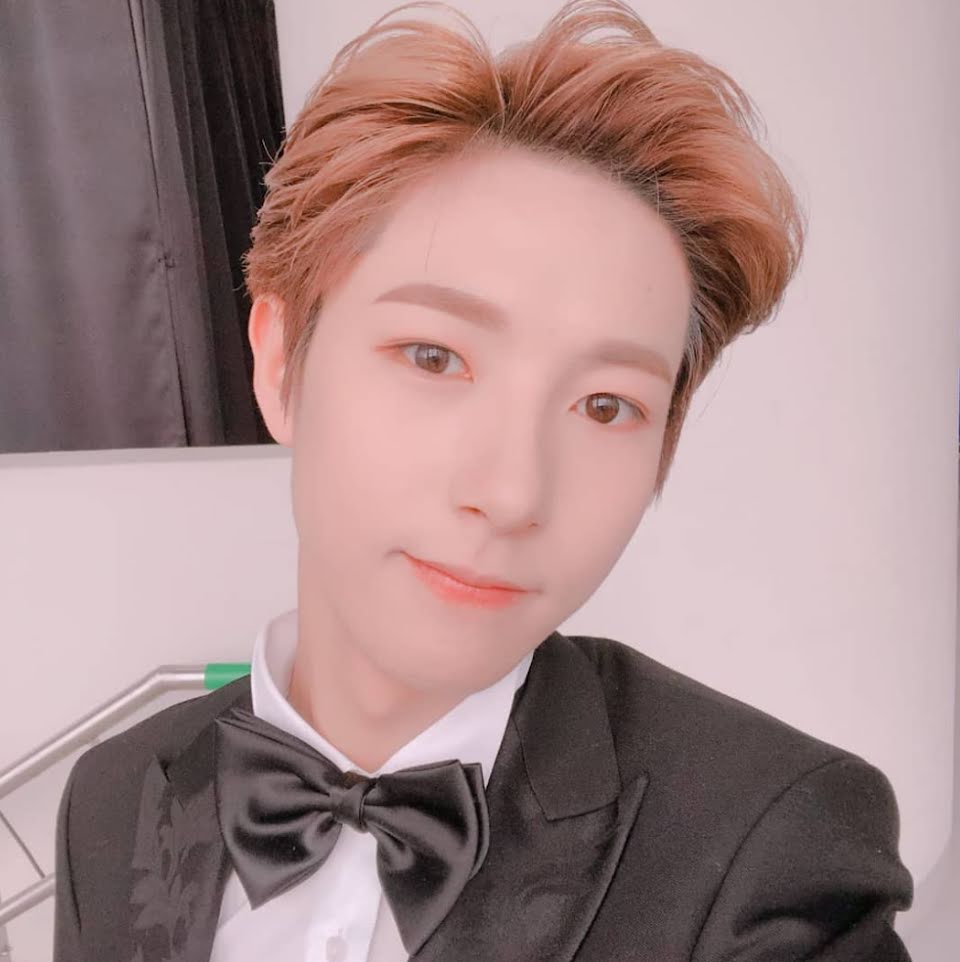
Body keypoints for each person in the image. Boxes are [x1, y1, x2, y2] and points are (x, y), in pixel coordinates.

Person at [52, 2, 914, 959]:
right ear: (281, 361)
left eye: (604, 406)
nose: (511, 494)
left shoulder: (775, 849)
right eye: (434, 356)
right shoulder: (114, 796)